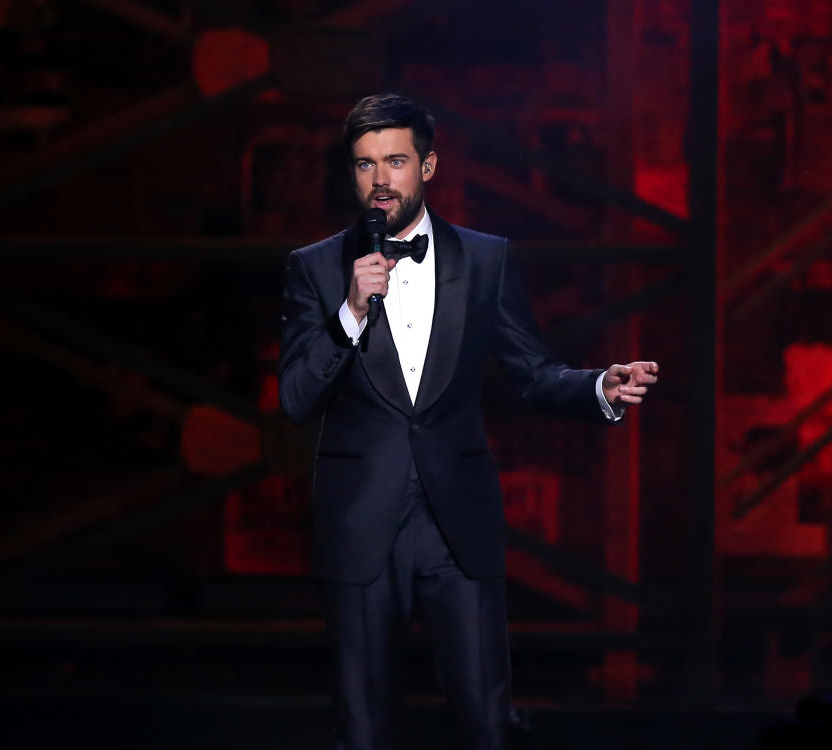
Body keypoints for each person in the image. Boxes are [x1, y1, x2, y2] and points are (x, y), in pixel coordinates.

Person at [278, 93, 659, 750]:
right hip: (361, 522)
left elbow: (532, 373)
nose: (380, 179)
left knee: (487, 724)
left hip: (458, 523)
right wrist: (348, 313)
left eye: (395, 160)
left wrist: (600, 385)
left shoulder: (486, 260)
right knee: (363, 731)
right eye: (365, 164)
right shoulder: (315, 268)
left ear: (428, 166)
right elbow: (295, 398)